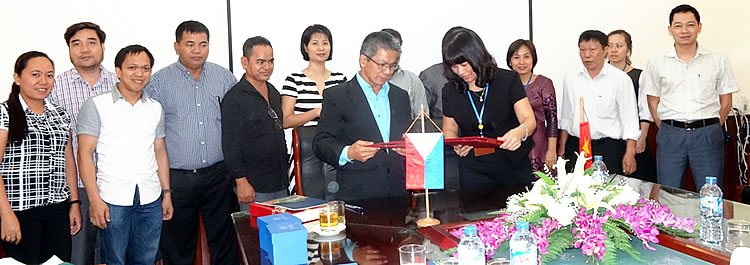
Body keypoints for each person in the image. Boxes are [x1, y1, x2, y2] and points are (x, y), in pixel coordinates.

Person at [146, 20, 240, 265]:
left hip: (218, 176)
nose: (197, 50)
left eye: (203, 44)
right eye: (190, 44)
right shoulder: (159, 82)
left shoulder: (224, 77)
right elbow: (149, 131)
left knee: (224, 240)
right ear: (177, 46)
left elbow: (234, 124)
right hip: (178, 179)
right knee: (178, 245)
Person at [78, 45, 173, 265]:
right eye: (132, 67)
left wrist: (166, 192)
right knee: (115, 260)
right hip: (112, 198)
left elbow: (159, 152)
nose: (139, 74)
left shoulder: (155, 108)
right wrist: (94, 200)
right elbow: (84, 155)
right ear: (118, 71)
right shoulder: (97, 105)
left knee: (146, 259)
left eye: (145, 68)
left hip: (150, 197)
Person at [642, 4, 739, 190]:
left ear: (699, 27)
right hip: (671, 134)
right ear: (670, 30)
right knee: (668, 191)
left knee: (710, 191)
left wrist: (712, 126)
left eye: (690, 25)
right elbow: (652, 99)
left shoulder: (717, 58)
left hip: (707, 134)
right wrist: (664, 125)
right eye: (678, 26)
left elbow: (726, 100)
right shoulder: (657, 60)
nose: (684, 31)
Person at [0, 51, 80, 264]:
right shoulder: (5, 113)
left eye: (49, 75)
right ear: (17, 78)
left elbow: (68, 161)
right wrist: (6, 215)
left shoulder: (60, 114)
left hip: (56, 210)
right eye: (36, 74)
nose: (43, 81)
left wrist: (74, 203)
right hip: (19, 212)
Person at [48, 21, 117, 265]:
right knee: (80, 256)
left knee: (116, 255)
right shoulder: (54, 87)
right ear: (69, 49)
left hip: (117, 185)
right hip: (77, 187)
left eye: (91, 42)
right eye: (76, 44)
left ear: (103, 47)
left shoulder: (119, 84)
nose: (84, 49)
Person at [313, 31, 411, 201]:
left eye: (393, 65)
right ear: (363, 60)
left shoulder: (400, 96)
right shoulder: (337, 96)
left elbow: (407, 136)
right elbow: (321, 142)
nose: (387, 71)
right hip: (359, 192)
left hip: (397, 190)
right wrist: (348, 152)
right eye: (382, 64)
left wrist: (408, 147)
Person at [441, 27, 537, 194]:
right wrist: (455, 142)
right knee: (476, 216)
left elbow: (529, 120)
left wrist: (519, 132)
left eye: (464, 64)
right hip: (473, 169)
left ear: (477, 55)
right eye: (454, 67)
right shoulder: (450, 90)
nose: (461, 72)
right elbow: (449, 128)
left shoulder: (507, 80)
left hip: (511, 164)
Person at [557, 30, 640, 175]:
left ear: (605, 50)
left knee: (607, 193)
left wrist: (630, 153)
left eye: (592, 50)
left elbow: (630, 120)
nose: (587, 55)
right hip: (576, 146)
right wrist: (562, 147)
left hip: (608, 147)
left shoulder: (620, 79)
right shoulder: (571, 76)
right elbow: (566, 115)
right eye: (582, 50)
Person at [222, 36, 288, 211]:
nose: (267, 67)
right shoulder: (234, 98)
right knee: (255, 237)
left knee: (282, 234)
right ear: (245, 62)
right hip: (254, 187)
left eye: (270, 61)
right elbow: (230, 145)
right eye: (260, 62)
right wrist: (241, 181)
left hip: (280, 184)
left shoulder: (273, 92)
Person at [608, 29, 656, 182]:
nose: (613, 50)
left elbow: (645, 109)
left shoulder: (639, 75)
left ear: (628, 49)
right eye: (609, 46)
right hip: (608, 139)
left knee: (637, 184)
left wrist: (642, 136)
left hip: (633, 137)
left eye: (619, 45)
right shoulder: (599, 75)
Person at [506, 39, 558, 173]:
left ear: (533, 59)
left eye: (526, 57)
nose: (521, 62)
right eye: (516, 57)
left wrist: (552, 150)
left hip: (538, 143)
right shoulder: (503, 84)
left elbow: (552, 118)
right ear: (510, 61)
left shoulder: (544, 83)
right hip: (511, 142)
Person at [281, 24, 347, 128]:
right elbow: (285, 121)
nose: (321, 48)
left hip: (336, 140)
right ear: (305, 48)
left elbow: (347, 115)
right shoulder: (294, 80)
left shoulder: (339, 79)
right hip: (307, 142)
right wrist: (316, 112)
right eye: (315, 43)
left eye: (325, 43)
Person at [380, 28, 429, 118]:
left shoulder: (412, 80)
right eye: (388, 48)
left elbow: (422, 119)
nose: (392, 53)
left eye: (396, 49)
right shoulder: (368, 79)